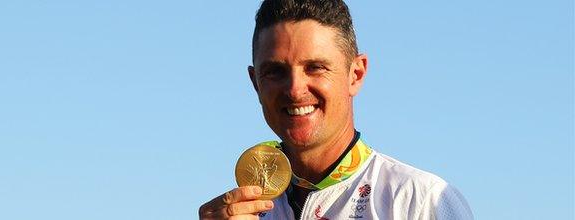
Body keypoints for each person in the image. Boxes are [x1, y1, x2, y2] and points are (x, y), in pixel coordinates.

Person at [199, 0, 474, 219]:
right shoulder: (244, 211)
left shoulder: (418, 202)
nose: (295, 89)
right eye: (275, 72)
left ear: (355, 74)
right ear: (255, 83)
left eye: (315, 67)